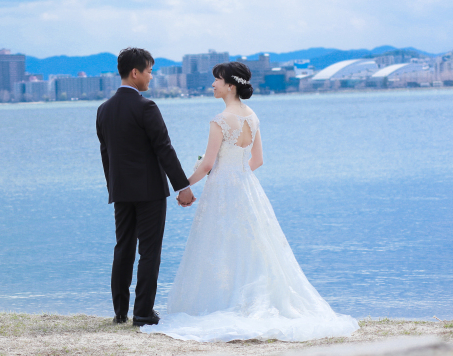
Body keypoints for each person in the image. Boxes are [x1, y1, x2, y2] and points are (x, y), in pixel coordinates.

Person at [141, 61, 359, 342]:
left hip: (222, 191)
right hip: (247, 188)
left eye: (217, 80)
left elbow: (207, 164)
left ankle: (223, 301)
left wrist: (185, 186)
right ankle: (249, 300)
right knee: (254, 245)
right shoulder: (253, 117)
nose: (213, 84)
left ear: (230, 86)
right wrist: (237, 175)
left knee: (219, 244)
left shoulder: (220, 120)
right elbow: (258, 160)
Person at [96, 47, 196, 327]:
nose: (151, 77)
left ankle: (120, 312)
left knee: (123, 248)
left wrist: (113, 186)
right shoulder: (146, 107)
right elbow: (164, 148)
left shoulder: (103, 110)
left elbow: (106, 155)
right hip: (150, 191)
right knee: (149, 252)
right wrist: (183, 186)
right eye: (149, 71)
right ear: (135, 73)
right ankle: (142, 313)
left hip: (120, 191)